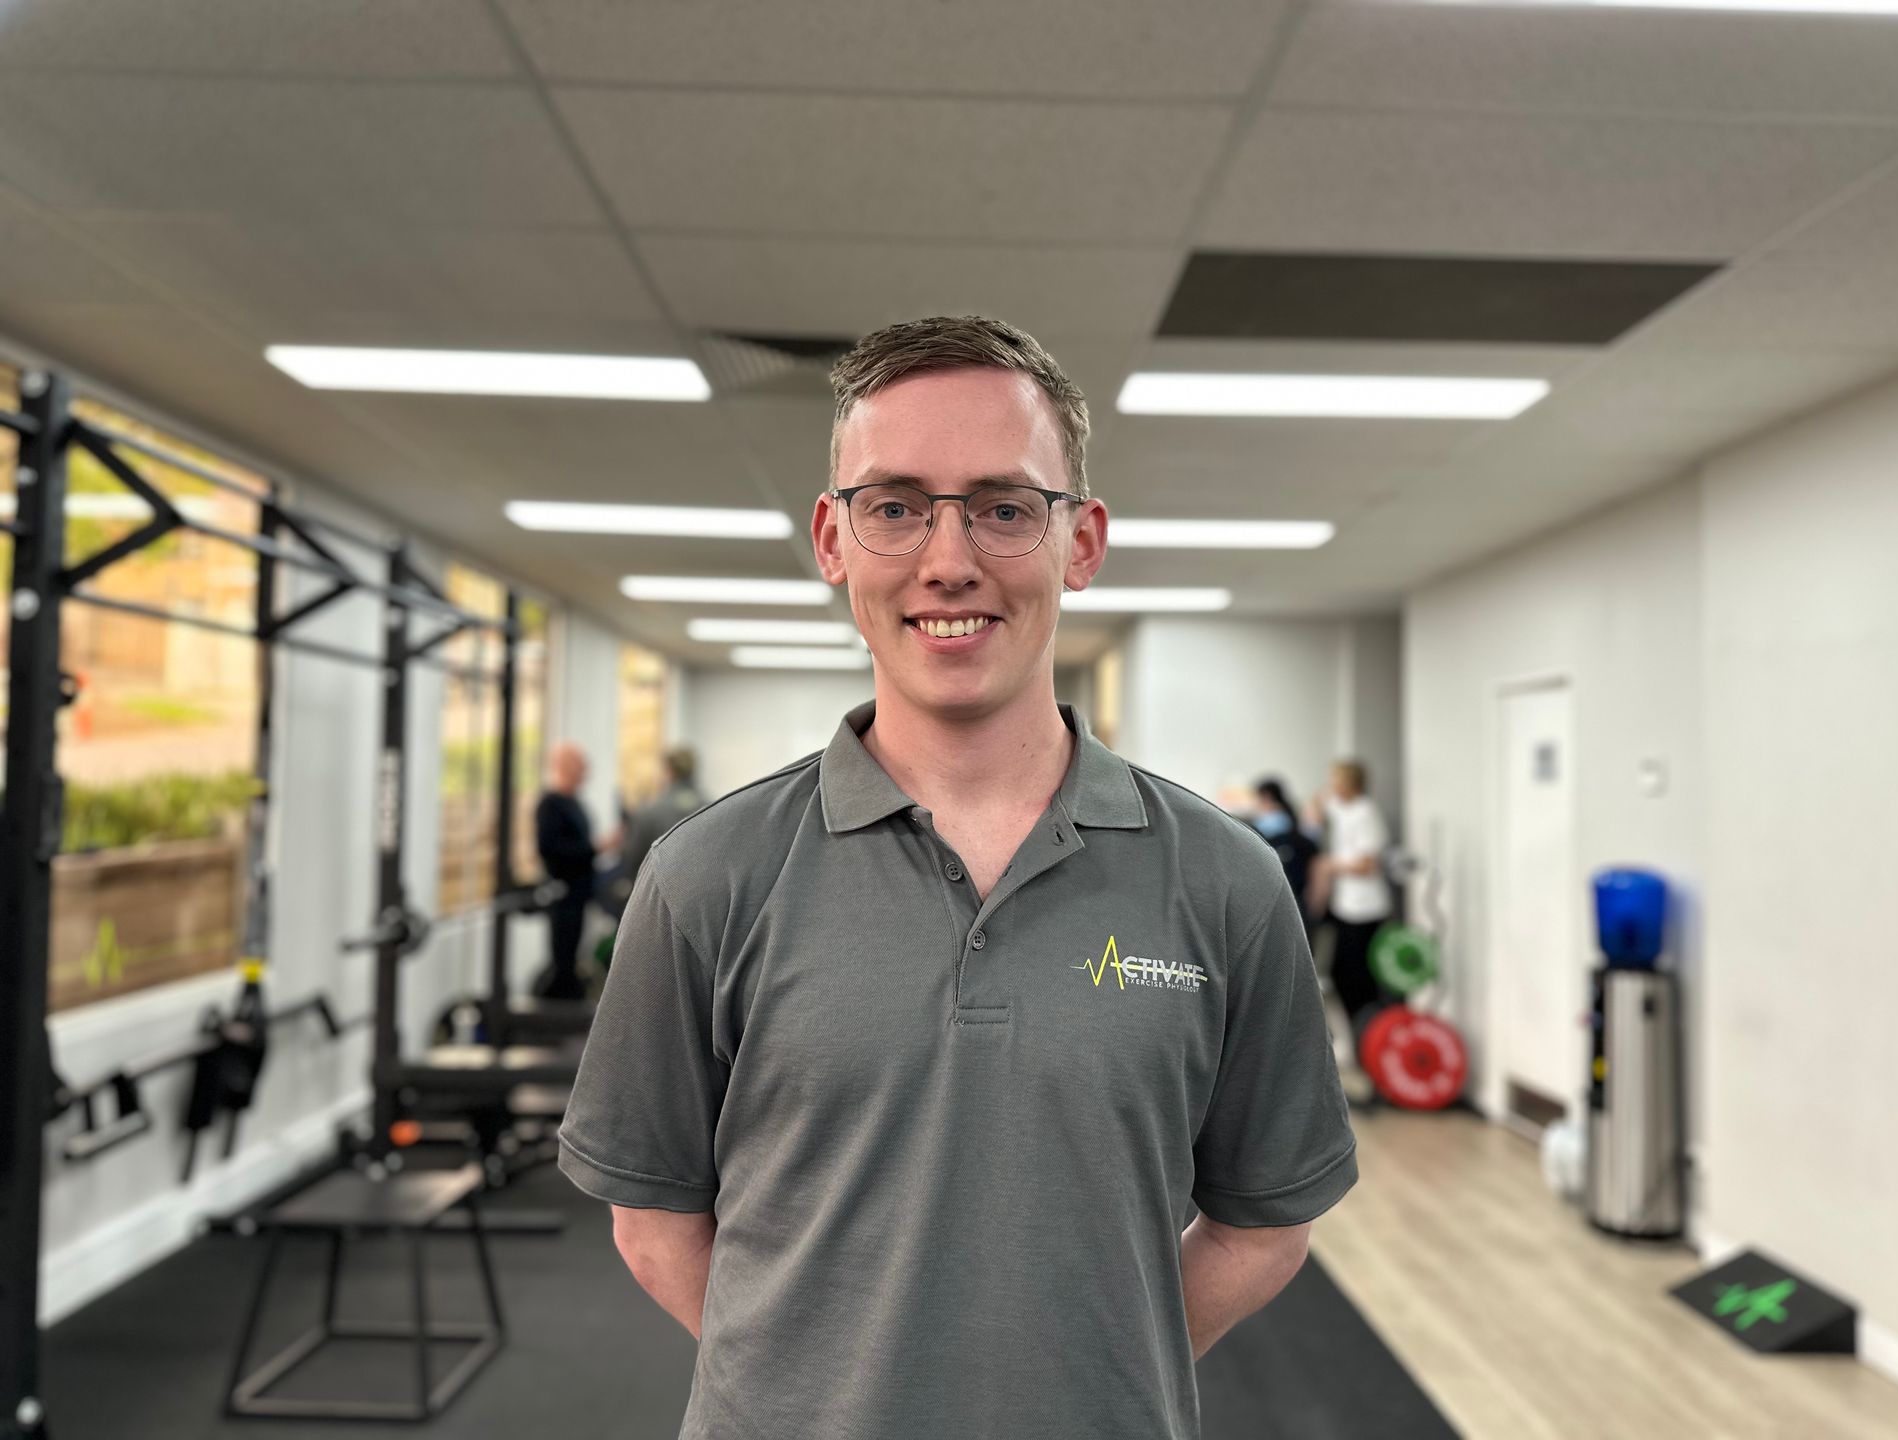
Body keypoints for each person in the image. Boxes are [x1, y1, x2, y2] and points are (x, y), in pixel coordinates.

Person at [558, 316, 1356, 1440]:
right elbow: (652, 1223)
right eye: (894, 507)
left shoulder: (1228, 882)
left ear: (1081, 542)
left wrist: (1086, 1385)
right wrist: (816, 1395)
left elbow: (1263, 1224)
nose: (947, 560)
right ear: (833, 540)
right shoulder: (704, 876)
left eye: (1004, 507)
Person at [1306, 759, 1392, 1064]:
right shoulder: (1339, 808)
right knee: (1339, 975)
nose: (1333, 786)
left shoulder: (1367, 812)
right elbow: (1312, 811)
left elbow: (1366, 864)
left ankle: (1369, 1041)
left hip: (1365, 908)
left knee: (1360, 979)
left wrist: (1330, 865)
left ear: (1353, 783)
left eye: (1338, 780)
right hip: (1343, 906)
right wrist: (1323, 796)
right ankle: (1356, 1041)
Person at [533, 741, 618, 1001]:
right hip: (563, 896)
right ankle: (557, 1007)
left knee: (573, 956)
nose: (585, 772)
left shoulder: (575, 804)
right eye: (580, 766)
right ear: (564, 767)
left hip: (581, 893)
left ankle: (567, 999)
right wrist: (596, 848)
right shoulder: (550, 805)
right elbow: (550, 849)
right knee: (563, 958)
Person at [601, 746, 705, 916]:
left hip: (658, 909)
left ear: (668, 772)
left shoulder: (648, 812)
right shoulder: (715, 808)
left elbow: (633, 860)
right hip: (703, 907)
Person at [1249, 775, 1319, 920]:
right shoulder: (1262, 826)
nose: (1257, 804)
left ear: (1267, 797)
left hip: (1291, 895)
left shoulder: (1281, 828)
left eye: (1259, 799)